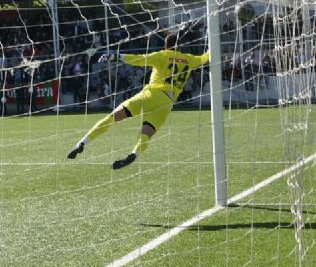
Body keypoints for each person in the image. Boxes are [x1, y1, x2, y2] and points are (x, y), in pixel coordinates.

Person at [67, 32, 210, 170]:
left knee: (112, 117)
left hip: (151, 95)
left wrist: (116, 56)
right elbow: (205, 57)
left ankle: (82, 142)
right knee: (146, 133)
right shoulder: (190, 59)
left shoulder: (163, 55)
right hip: (167, 103)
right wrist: (212, 40)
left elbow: (139, 59)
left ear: (166, 46)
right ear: (180, 46)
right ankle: (134, 154)